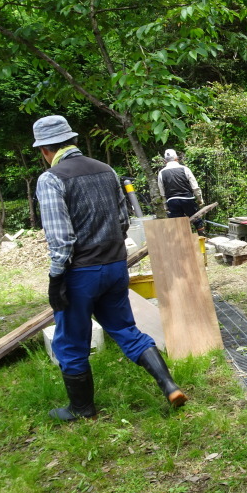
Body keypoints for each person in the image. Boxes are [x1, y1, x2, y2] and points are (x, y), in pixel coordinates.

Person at [33, 115, 188, 421]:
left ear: (45, 151)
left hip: (80, 274)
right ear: (72, 140)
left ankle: (81, 408)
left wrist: (55, 279)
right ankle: (169, 385)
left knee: (71, 341)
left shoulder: (50, 179)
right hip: (115, 266)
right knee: (126, 329)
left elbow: (61, 239)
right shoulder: (107, 171)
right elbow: (121, 222)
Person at [157, 148, 206, 235]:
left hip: (172, 201)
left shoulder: (161, 173)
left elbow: (162, 192)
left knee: (178, 224)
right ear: (177, 159)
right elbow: (195, 187)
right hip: (187, 199)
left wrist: (166, 205)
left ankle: (183, 243)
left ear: (165, 161)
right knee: (197, 220)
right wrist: (199, 199)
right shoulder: (185, 169)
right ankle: (203, 240)